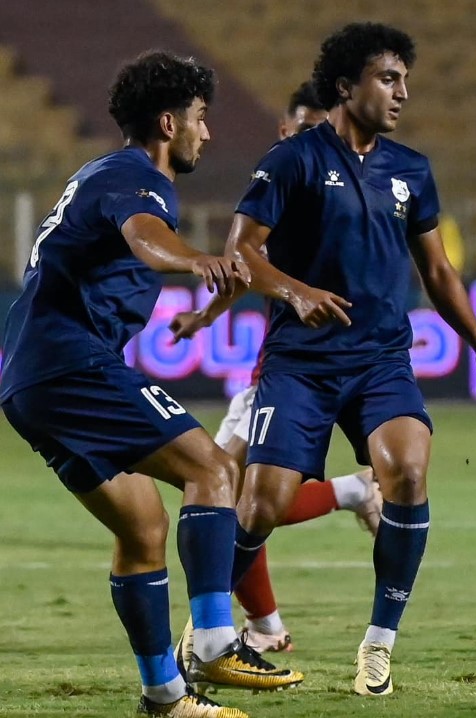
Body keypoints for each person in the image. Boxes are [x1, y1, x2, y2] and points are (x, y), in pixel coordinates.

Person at [0, 51, 303, 718]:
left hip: (29, 382)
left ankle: (164, 694)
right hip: (68, 364)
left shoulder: (102, 176)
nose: (208, 133)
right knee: (214, 468)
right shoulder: (136, 177)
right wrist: (197, 260)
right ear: (169, 123)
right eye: (200, 120)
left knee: (142, 527)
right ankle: (218, 638)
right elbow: (146, 238)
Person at [222, 22, 476, 697]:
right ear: (346, 86)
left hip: (381, 361)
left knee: (407, 469)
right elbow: (242, 248)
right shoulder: (291, 160)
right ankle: (207, 628)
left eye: (405, 79)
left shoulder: (412, 169)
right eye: (389, 78)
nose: (403, 92)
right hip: (300, 363)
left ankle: (378, 645)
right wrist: (295, 293)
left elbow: (437, 273)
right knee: (261, 504)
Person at [169, 80, 382, 655]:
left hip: (296, 373)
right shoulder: (285, 185)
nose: (318, 140)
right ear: (286, 131)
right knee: (228, 494)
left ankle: (261, 624)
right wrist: (204, 318)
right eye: (307, 128)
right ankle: (266, 621)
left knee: (220, 495)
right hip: (277, 370)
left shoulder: (342, 196)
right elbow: (244, 264)